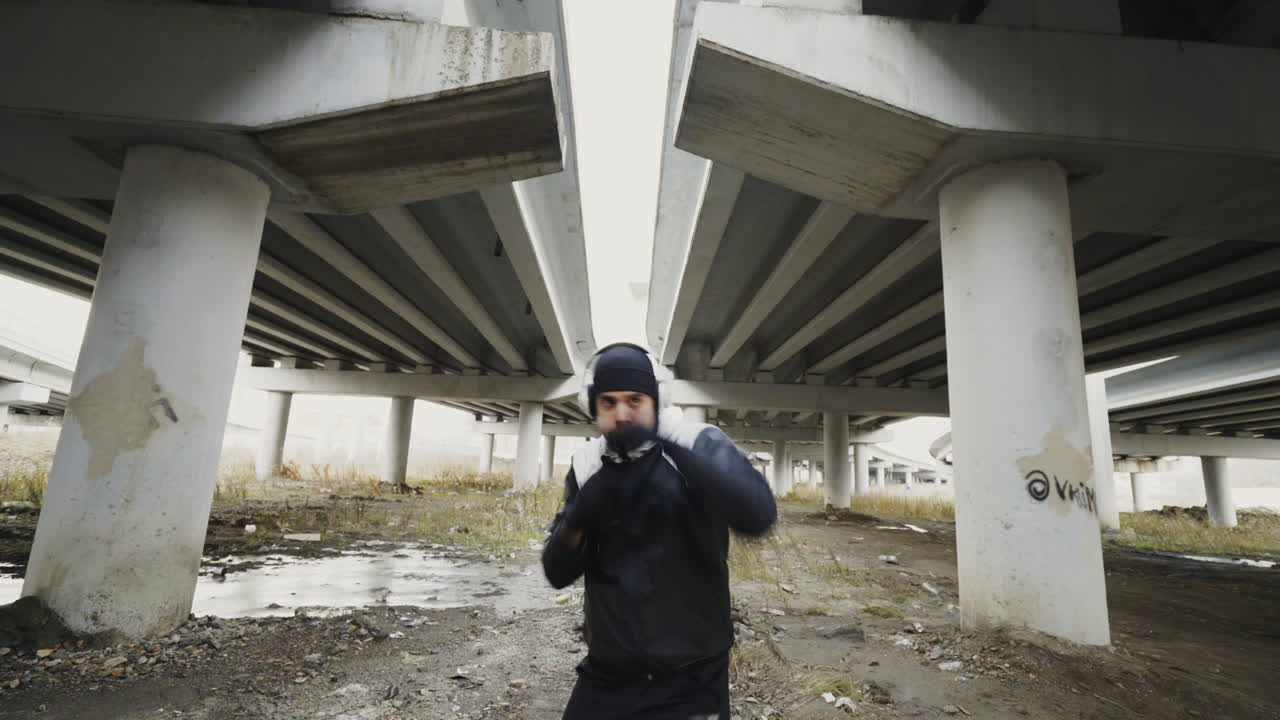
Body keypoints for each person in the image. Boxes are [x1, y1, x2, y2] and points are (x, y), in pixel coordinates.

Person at [541, 343, 777, 720]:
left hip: (691, 680)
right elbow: (557, 571)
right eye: (608, 402)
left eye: (635, 400)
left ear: (656, 400)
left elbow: (758, 515)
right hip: (608, 675)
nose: (622, 415)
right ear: (593, 406)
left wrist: (665, 445)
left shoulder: (698, 442)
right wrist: (579, 515)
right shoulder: (587, 464)